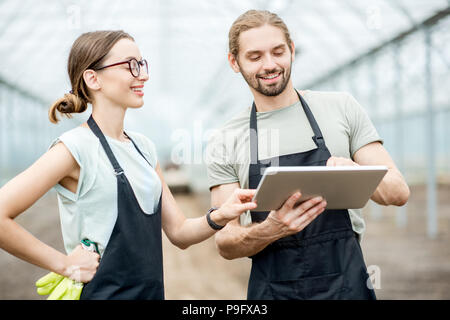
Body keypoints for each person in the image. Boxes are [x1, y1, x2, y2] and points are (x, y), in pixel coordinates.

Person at [0, 30, 257, 300]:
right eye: (130, 66)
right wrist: (64, 264)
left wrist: (222, 213)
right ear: (93, 78)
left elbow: (179, 233)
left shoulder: (143, 148)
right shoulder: (74, 148)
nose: (143, 75)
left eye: (141, 64)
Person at [206, 10, 410, 300]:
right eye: (255, 57)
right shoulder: (226, 139)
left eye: (278, 52)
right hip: (273, 291)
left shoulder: (341, 108)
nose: (270, 64)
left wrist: (356, 173)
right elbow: (225, 241)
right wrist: (271, 229)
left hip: (346, 285)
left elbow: (398, 193)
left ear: (291, 49)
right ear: (234, 62)